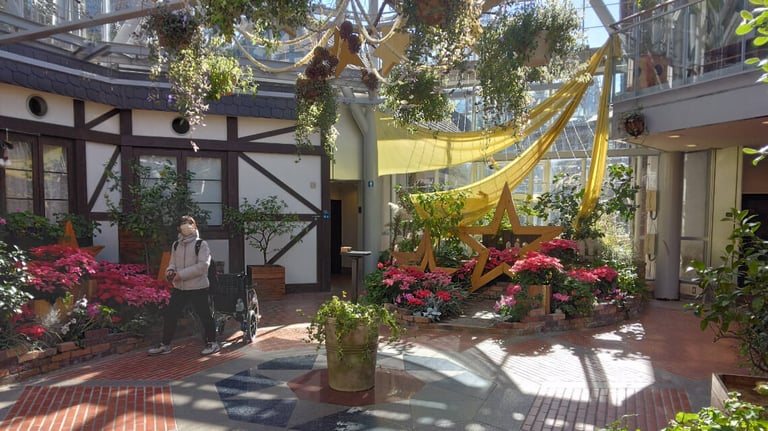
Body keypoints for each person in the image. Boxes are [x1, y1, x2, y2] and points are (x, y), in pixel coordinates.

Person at [148, 215, 220, 356]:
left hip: (198, 287)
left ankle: (212, 343)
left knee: (204, 315)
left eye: (189, 223)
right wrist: (170, 271)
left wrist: (180, 274)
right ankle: (165, 344)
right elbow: (173, 262)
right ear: (178, 228)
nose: (186, 226)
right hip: (180, 287)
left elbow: (203, 266)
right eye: (183, 223)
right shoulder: (176, 245)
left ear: (195, 226)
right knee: (170, 315)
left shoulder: (201, 244)